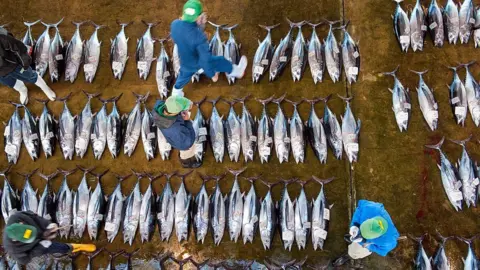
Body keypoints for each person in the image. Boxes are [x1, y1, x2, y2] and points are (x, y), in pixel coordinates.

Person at [170, 0, 248, 97]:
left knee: (182, 78)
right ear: (198, 17)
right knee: (221, 61)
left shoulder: (174, 25)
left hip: (186, 63)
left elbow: (184, 34)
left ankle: (176, 94)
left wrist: (199, 23)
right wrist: (212, 75)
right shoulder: (199, 37)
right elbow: (205, 60)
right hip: (199, 64)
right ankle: (238, 71)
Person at [3, 211, 96, 265]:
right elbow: (24, 260)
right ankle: (73, 247)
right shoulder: (13, 249)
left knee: (49, 234)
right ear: (16, 240)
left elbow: (34, 216)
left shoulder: (17, 216)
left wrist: (48, 225)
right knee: (57, 247)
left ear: (21, 223)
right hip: (37, 246)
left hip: (40, 228)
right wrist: (41, 247)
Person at [0, 26, 56, 104]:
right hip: (1, 72)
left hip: (13, 65)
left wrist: (24, 61)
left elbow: (18, 47)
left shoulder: (2, 37)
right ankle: (22, 89)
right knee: (9, 81)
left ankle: (45, 88)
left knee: (30, 75)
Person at [333, 200, 399, 266]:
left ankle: (350, 256)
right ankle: (354, 238)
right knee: (355, 235)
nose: (360, 234)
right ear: (367, 220)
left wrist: (364, 242)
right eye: (361, 230)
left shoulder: (388, 241)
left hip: (369, 243)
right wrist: (354, 225)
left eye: (362, 235)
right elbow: (360, 207)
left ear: (374, 237)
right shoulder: (370, 208)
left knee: (355, 252)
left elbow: (382, 251)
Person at [152, 95, 200, 168]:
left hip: (169, 133)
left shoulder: (159, 106)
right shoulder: (176, 130)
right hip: (180, 142)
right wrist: (187, 121)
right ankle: (186, 163)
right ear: (176, 112)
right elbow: (187, 144)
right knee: (186, 151)